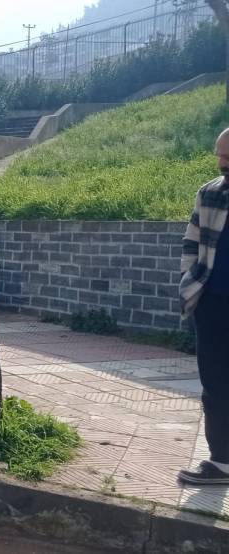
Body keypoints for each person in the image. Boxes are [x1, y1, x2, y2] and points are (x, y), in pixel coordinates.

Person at [178, 128, 229, 485]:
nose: (221, 162)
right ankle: (221, 462)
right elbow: (191, 243)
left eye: (228, 156)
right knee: (215, 383)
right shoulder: (210, 193)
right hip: (213, 303)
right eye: (219, 154)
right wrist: (191, 285)